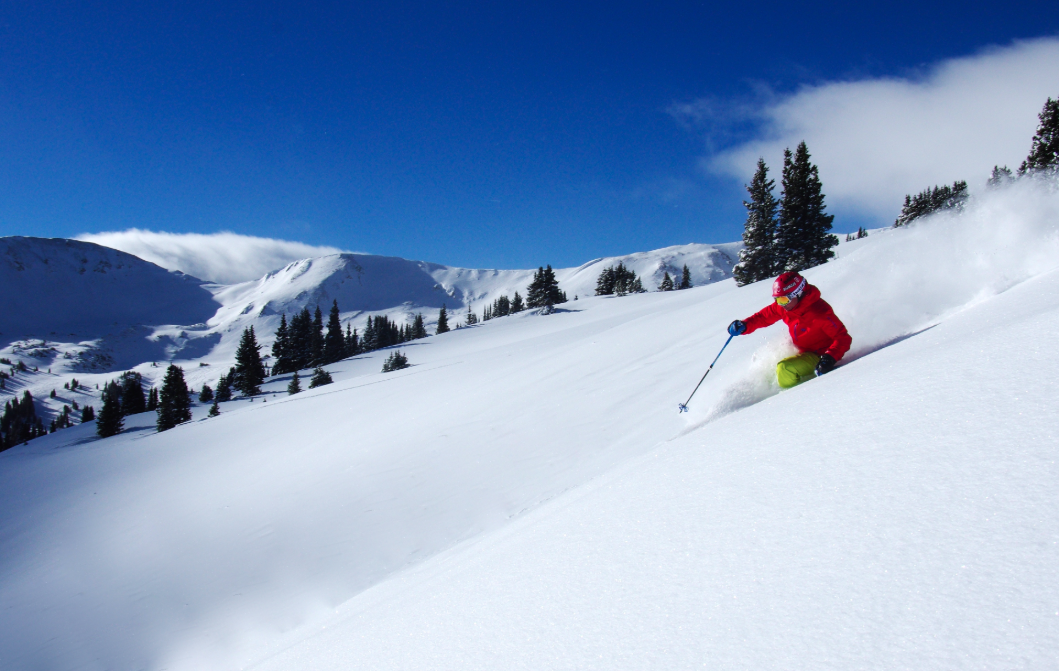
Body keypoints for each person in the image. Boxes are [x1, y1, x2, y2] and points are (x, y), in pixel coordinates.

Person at [727, 271, 851, 389]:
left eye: (783, 300)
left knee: (785, 369)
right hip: (804, 352)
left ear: (798, 293)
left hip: (821, 356)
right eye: (777, 300)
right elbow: (763, 317)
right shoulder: (787, 307)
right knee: (771, 368)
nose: (780, 304)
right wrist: (745, 325)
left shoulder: (819, 312)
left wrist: (829, 357)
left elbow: (842, 338)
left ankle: (793, 398)